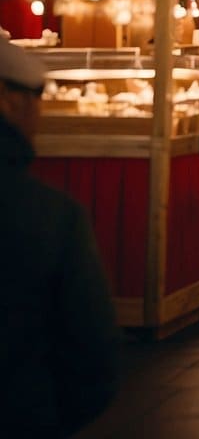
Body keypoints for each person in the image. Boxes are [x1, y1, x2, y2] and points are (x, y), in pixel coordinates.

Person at [1, 37, 121, 437]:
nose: (40, 109)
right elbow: (94, 350)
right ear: (7, 99)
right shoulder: (51, 215)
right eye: (35, 96)